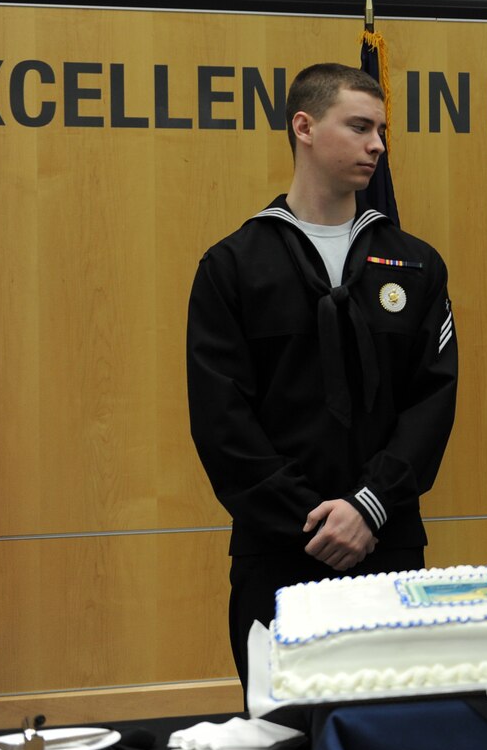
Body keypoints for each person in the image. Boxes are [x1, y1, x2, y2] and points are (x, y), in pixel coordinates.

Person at [187, 63, 458, 682]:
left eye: (382, 130)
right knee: (279, 744)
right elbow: (222, 420)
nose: (377, 146)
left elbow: (432, 402)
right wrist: (311, 520)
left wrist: (367, 509)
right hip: (279, 548)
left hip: (387, 541)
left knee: (395, 733)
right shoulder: (234, 266)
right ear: (303, 127)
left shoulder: (415, 265)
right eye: (359, 127)